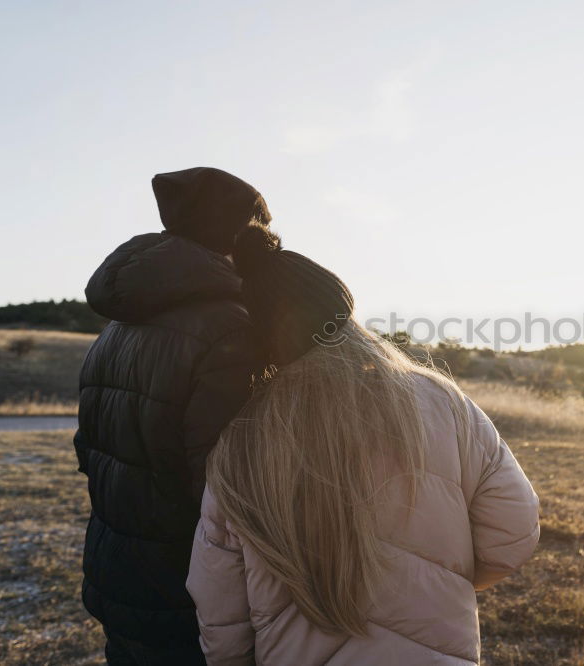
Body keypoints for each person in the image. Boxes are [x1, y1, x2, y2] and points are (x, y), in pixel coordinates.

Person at [185, 223, 540, 665]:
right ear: (346, 313)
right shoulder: (443, 402)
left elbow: (218, 603)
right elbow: (513, 533)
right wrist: (441, 580)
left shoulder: (240, 444)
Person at [74, 167, 271, 665]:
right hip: (183, 582)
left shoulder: (118, 325)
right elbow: (221, 489)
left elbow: (88, 448)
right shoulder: (227, 328)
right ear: (233, 235)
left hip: (115, 565)